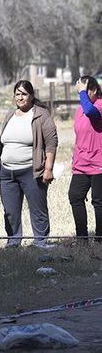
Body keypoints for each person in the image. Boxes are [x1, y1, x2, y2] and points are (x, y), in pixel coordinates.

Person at [0, 80, 58, 248]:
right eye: (17, 94)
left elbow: (51, 143)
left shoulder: (40, 115)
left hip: (31, 170)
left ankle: (41, 241)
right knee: (10, 211)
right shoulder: (10, 115)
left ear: (31, 96)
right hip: (7, 173)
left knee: (38, 209)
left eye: (24, 94)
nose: (20, 97)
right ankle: (13, 241)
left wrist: (49, 168)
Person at [68, 76, 102, 243]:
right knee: (75, 196)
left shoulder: (100, 105)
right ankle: (82, 238)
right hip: (81, 164)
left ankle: (100, 238)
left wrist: (82, 91)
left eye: (86, 90)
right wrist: (75, 157)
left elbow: (91, 112)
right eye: (80, 91)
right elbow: (80, 135)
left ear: (95, 90)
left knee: (99, 201)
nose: (82, 94)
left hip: (99, 164)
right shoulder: (79, 110)